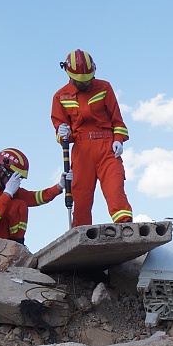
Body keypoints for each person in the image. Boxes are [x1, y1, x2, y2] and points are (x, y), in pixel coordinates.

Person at [51, 49, 133, 227]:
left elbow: (117, 120)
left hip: (107, 147)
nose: (85, 84)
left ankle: (125, 226)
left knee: (115, 188)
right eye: (81, 81)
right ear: (68, 74)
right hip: (82, 151)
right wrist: (62, 132)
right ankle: (81, 233)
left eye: (88, 79)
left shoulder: (104, 87)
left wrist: (118, 139)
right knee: (81, 195)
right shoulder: (60, 96)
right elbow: (62, 131)